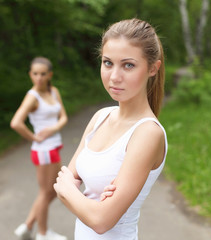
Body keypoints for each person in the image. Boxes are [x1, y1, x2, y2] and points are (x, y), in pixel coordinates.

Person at [53, 18, 168, 240]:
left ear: (153, 68)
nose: (114, 76)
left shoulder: (147, 133)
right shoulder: (100, 117)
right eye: (108, 63)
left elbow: (101, 221)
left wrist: (71, 192)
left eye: (128, 65)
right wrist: (89, 203)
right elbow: (65, 182)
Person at [11, 57, 68, 240]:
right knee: (46, 192)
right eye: (35, 74)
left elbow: (63, 117)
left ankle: (27, 226)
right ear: (30, 75)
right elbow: (16, 123)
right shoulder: (32, 96)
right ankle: (42, 234)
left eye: (43, 74)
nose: (39, 78)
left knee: (53, 190)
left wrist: (53, 128)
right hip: (43, 151)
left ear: (50, 75)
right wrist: (34, 137)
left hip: (53, 147)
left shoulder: (54, 91)